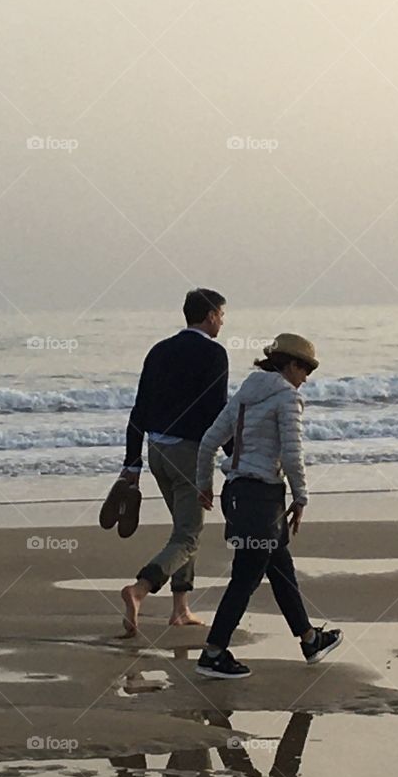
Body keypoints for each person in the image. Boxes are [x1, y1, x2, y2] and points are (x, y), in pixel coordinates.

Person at [194, 332, 342, 679]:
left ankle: (309, 639)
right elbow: (292, 454)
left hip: (238, 494)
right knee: (246, 577)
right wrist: (302, 496)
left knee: (280, 569)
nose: (306, 379)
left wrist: (206, 485)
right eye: (305, 369)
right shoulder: (287, 399)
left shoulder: (245, 395)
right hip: (262, 499)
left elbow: (208, 442)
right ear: (290, 365)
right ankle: (213, 653)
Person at [119, 288, 229, 636]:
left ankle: (180, 610)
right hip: (189, 454)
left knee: (182, 530)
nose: (223, 322)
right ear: (210, 315)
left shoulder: (159, 350)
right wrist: (232, 458)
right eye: (222, 315)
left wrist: (132, 463)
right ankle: (140, 589)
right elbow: (217, 413)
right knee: (188, 537)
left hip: (157, 452)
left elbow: (139, 408)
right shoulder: (214, 354)